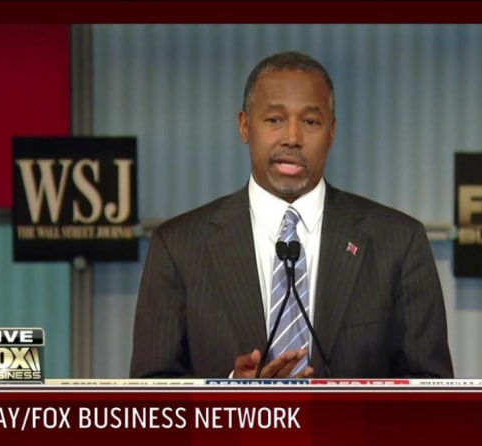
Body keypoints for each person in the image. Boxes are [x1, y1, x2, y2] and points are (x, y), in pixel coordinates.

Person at [130, 51, 454, 379]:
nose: (292, 138)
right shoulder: (179, 247)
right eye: (274, 120)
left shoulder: (399, 242)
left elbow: (433, 392)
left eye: (310, 122)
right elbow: (149, 395)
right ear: (244, 126)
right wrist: (228, 395)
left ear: (332, 131)